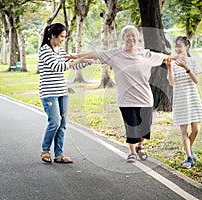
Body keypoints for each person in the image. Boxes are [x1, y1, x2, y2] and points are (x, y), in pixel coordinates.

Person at [66, 25, 176, 163]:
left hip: (145, 99)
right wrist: (76, 56)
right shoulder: (116, 54)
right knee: (132, 128)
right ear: (123, 39)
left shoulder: (146, 54)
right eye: (128, 36)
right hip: (126, 99)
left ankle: (140, 146)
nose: (131, 38)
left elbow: (166, 58)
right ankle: (132, 153)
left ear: (138, 38)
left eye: (133, 35)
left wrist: (178, 57)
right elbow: (95, 54)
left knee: (144, 130)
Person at [39, 23, 92, 163]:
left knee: (63, 123)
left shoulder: (61, 51)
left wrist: (88, 61)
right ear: (52, 36)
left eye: (64, 37)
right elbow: (59, 67)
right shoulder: (44, 50)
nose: (63, 39)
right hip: (49, 93)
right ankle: (45, 150)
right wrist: (78, 60)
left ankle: (59, 154)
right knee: (55, 122)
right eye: (61, 36)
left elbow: (74, 64)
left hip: (62, 91)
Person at [166, 36, 202, 169]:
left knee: (196, 129)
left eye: (179, 46)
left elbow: (196, 80)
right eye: (176, 46)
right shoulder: (172, 62)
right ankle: (189, 157)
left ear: (186, 46)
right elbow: (172, 83)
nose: (177, 49)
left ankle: (187, 148)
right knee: (184, 131)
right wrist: (169, 68)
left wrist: (186, 67)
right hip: (180, 99)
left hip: (192, 97)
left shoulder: (193, 62)